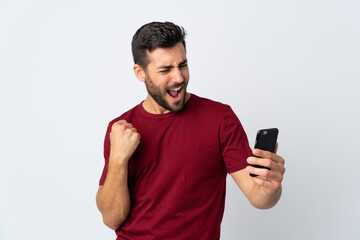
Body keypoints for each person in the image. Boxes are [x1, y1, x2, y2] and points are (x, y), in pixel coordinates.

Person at [96, 21, 285, 240]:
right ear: (140, 72)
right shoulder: (121, 129)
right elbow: (112, 218)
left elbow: (259, 198)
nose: (178, 78)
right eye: (165, 69)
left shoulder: (219, 119)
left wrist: (271, 188)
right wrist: (118, 159)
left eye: (182, 65)